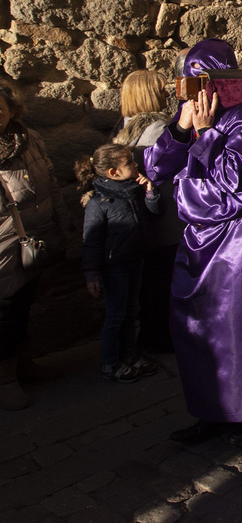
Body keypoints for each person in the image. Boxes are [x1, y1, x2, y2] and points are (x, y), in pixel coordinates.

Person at [145, 39, 242, 445]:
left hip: (230, 246)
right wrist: (182, 130)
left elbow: (234, 186)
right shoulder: (188, 117)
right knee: (195, 333)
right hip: (195, 245)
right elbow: (157, 168)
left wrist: (208, 134)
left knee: (233, 334)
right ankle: (208, 410)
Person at [0, 79, 69, 410]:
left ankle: (24, 365)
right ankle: (6, 381)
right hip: (2, 246)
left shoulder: (29, 139)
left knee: (25, 304)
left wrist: (61, 221)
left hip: (35, 238)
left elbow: (50, 180)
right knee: (6, 313)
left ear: (12, 111)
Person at [79, 144, 161, 382]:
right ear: (113, 172)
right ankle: (110, 362)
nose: (136, 166)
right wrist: (91, 273)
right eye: (130, 163)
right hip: (113, 267)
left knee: (130, 312)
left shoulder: (133, 190)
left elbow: (155, 214)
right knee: (116, 315)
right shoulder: (99, 202)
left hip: (134, 259)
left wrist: (150, 192)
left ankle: (130, 355)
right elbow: (91, 241)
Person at [115, 69, 183, 354]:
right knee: (164, 283)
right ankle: (161, 339)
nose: (166, 94)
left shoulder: (125, 126)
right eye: (160, 90)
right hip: (166, 217)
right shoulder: (157, 130)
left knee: (151, 282)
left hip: (144, 220)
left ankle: (149, 337)